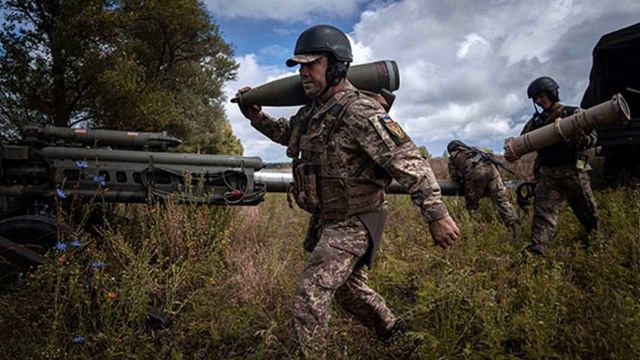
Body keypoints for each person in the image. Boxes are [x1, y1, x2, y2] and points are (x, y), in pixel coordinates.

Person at [235, 24, 460, 356]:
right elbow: (289, 134)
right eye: (300, 66)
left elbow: (409, 161)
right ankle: (397, 336)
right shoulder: (312, 112)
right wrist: (256, 117)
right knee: (350, 291)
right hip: (328, 219)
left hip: (356, 220)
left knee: (312, 291)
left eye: (313, 64)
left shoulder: (361, 111)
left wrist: (437, 215)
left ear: (338, 66)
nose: (304, 73)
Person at [505, 76, 598, 255]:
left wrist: (583, 137)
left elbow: (593, 137)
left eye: (541, 96)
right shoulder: (535, 122)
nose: (539, 102)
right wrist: (512, 150)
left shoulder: (574, 113)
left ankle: (596, 241)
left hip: (573, 171)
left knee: (586, 210)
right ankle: (537, 251)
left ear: (552, 93)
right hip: (548, 174)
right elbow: (521, 142)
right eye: (536, 99)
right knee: (543, 215)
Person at [447, 140, 518, 235]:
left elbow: (455, 177)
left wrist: (465, 183)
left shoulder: (453, 155)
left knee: (472, 204)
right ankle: (515, 227)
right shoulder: (476, 149)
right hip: (494, 172)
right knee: (502, 201)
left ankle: (477, 231)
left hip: (476, 174)